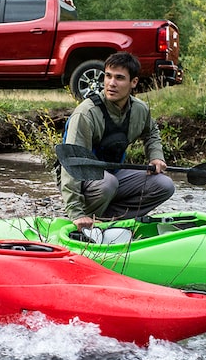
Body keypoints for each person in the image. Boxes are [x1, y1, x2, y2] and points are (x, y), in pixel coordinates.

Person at [58, 51, 175, 230]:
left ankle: (108, 220)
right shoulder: (86, 113)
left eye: (119, 78)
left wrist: (156, 156)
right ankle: (86, 222)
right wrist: (76, 213)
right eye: (108, 76)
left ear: (133, 82)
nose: (111, 83)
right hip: (81, 176)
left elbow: (151, 132)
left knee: (164, 185)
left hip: (111, 172)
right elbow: (71, 164)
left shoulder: (140, 110)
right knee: (107, 183)